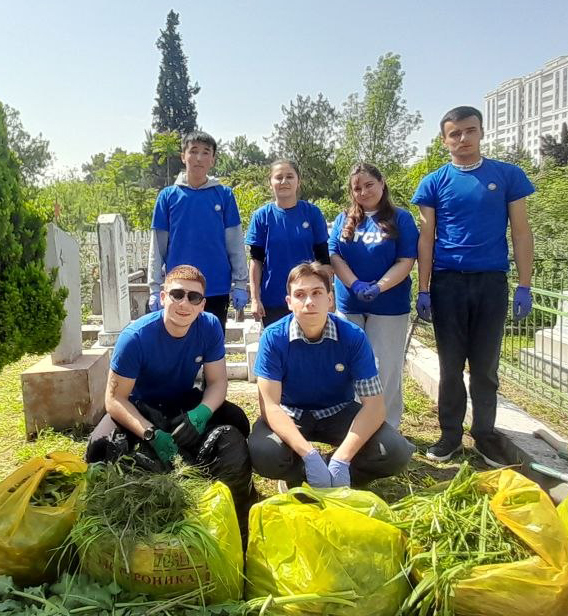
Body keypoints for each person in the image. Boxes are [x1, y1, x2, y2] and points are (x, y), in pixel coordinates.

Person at [412, 106, 535, 464]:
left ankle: (484, 434)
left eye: (469, 131)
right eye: (455, 133)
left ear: (481, 132)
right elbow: (426, 237)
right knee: (450, 367)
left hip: (490, 282)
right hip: (448, 283)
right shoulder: (434, 182)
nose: (462, 139)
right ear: (444, 139)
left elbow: (522, 231)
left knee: (485, 367)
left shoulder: (507, 176)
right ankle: (449, 435)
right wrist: (423, 287)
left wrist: (524, 284)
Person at [84, 264, 254, 515]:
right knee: (97, 447)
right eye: (177, 294)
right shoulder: (135, 338)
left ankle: (226, 490)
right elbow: (115, 399)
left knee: (237, 420)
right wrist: (149, 433)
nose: (184, 304)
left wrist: (201, 414)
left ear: (202, 305)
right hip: (140, 406)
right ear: (163, 297)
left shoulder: (209, 327)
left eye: (193, 297)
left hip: (182, 402)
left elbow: (218, 382)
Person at [248, 262, 413, 488]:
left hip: (338, 411)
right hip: (291, 413)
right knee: (264, 453)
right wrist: (309, 455)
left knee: (394, 451)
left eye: (317, 293)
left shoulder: (353, 337)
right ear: (289, 303)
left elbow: (374, 405)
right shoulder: (273, 337)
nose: (309, 302)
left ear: (330, 299)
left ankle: (342, 473)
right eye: (300, 295)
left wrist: (342, 458)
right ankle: (299, 475)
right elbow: (270, 406)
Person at [328, 163, 418, 428]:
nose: (364, 191)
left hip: (389, 305)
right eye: (357, 187)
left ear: (382, 183)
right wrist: (354, 284)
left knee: (386, 368)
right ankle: (355, 423)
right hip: (350, 304)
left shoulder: (401, 218)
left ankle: (387, 425)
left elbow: (406, 259)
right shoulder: (344, 219)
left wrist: (379, 286)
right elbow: (334, 255)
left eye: (369, 185)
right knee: (350, 364)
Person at [147, 132, 250, 333]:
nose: (199, 158)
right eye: (193, 152)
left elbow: (235, 243)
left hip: (216, 287)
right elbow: (157, 248)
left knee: (212, 346)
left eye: (206, 152)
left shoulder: (224, 195)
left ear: (213, 159)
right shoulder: (168, 197)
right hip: (179, 289)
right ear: (183, 156)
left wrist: (240, 283)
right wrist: (154, 288)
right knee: (178, 347)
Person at [245, 160, 330, 327]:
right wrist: (255, 299)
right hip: (273, 300)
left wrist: (327, 295)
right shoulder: (262, 216)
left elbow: (324, 261)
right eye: (279, 177)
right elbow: (256, 262)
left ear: (298, 181)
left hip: (308, 299)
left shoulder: (312, 213)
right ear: (270, 183)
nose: (284, 181)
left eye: (290, 176)